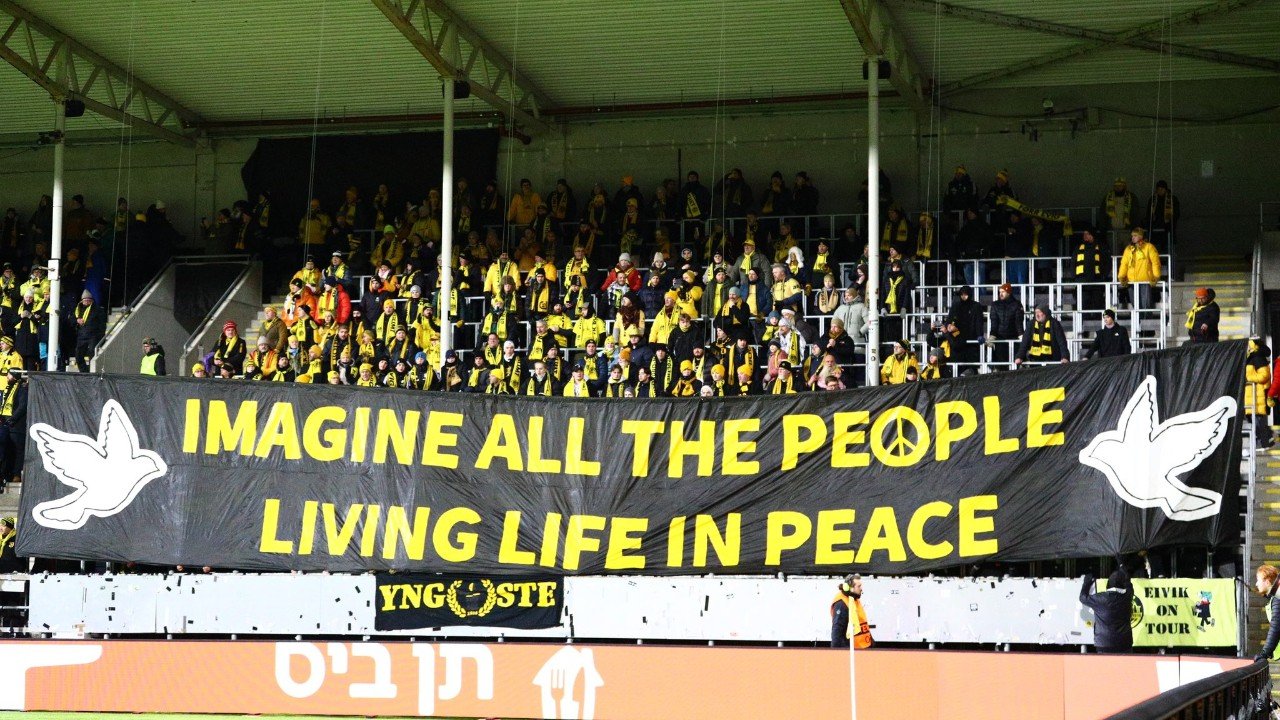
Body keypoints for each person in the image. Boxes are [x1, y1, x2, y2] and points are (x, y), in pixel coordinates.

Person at [1079, 569, 1134, 653]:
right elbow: (1129, 585)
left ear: (1108, 584)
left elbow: (1083, 597)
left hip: (1104, 643)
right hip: (1124, 643)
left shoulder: (1100, 598)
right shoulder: (1127, 596)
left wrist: (1087, 582)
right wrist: (1124, 571)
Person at [1117, 227, 1161, 310]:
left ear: (1141, 236)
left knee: (1146, 305)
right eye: (1132, 236)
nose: (1133, 237)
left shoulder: (1149, 247)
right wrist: (1121, 276)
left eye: (1135, 235)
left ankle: (1147, 317)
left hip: (1145, 281)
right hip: (1131, 282)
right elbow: (1124, 264)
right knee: (1135, 305)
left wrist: (1156, 276)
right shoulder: (1128, 249)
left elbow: (1155, 263)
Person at [830, 574, 872, 650]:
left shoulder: (854, 599)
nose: (861, 589)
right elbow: (837, 633)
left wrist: (872, 642)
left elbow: (862, 623)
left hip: (862, 647)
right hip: (853, 651)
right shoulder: (842, 604)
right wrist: (837, 653)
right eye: (859, 586)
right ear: (850, 588)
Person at [1246, 337, 1273, 452]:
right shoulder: (1252, 357)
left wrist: (1248, 378)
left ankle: (1263, 442)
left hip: (1258, 393)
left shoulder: (1257, 357)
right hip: (1252, 393)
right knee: (1253, 418)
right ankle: (1262, 441)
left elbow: (1264, 375)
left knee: (1257, 419)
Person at [73, 288, 106, 372]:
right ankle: (84, 372)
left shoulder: (97, 310)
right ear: (82, 301)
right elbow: (72, 319)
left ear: (91, 301)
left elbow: (102, 324)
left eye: (88, 300)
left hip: (93, 336)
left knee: (92, 353)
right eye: (85, 300)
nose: (86, 302)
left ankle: (92, 371)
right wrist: (77, 320)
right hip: (81, 336)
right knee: (78, 355)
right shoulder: (78, 309)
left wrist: (101, 336)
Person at [1255, 564, 1280, 662]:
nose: (1256, 584)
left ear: (1267, 581)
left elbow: (1276, 627)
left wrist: (1265, 653)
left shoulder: (1277, 598)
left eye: (1258, 580)